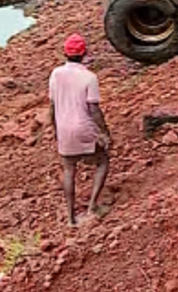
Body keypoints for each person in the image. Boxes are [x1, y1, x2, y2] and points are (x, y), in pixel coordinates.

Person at [49, 34, 111, 227]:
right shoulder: (89, 77)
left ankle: (70, 217)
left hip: (64, 127)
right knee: (102, 161)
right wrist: (104, 132)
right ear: (84, 53)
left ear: (65, 53)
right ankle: (92, 206)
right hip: (83, 127)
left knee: (69, 169)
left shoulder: (55, 74)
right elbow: (94, 109)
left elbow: (52, 106)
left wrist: (55, 129)